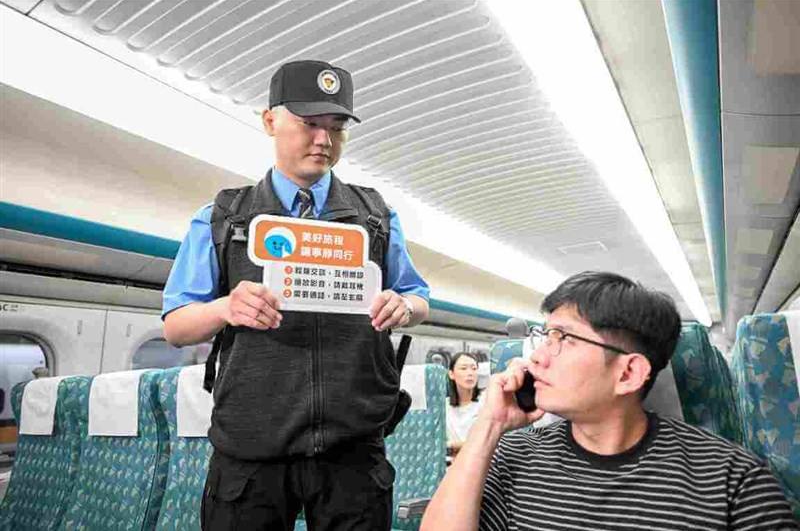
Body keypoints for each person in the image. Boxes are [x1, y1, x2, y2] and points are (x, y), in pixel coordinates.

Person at [162, 60, 430, 531]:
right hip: (251, 448)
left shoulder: (376, 217)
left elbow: (418, 296)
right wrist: (226, 307)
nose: (324, 141)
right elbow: (175, 325)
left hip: (353, 448)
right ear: (270, 121)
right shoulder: (224, 218)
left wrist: (404, 307)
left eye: (337, 127)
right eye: (309, 124)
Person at [421, 271, 796, 530]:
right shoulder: (516, 455)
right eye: (544, 336)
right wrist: (489, 427)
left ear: (629, 373)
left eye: (563, 338)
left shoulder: (732, 480)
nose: (536, 357)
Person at [446, 352, 483, 457]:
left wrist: (452, 446)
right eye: (463, 368)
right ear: (451, 374)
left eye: (474, 368)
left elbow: (485, 443)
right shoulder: (443, 406)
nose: (470, 373)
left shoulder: (485, 403)